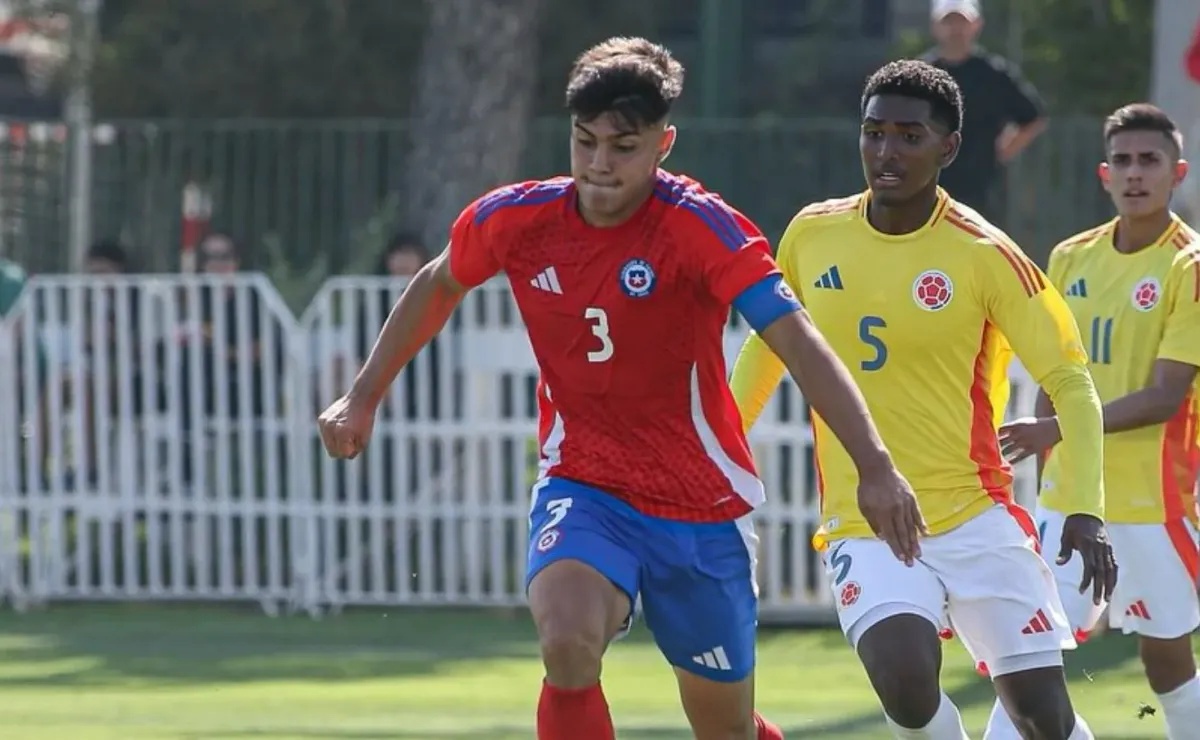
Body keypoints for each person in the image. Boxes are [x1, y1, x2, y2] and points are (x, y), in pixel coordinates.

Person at [317, 36, 922, 740]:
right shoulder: (517, 220)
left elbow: (798, 341)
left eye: (623, 146)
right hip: (585, 483)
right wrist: (363, 395)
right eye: (586, 142)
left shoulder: (702, 229)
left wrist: (875, 466)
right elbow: (440, 281)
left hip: (700, 507)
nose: (600, 164)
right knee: (566, 639)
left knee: (722, 728)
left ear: (663, 144)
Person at [730, 60, 1114, 739]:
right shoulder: (811, 235)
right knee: (907, 684)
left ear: (950, 147)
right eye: (874, 133)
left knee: (1043, 721)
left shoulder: (985, 254)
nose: (886, 152)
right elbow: (768, 349)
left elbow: (1070, 378)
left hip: (974, 516)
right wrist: (718, 454)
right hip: (865, 519)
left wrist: (1083, 505)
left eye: (910, 136)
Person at [993, 103, 1200, 740]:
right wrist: (1053, 443)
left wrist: (1056, 431)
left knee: (1166, 658)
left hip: (1157, 504)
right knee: (1033, 654)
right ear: (1103, 173)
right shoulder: (1068, 258)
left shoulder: (1187, 267)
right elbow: (1057, 370)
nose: (1135, 173)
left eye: (1149, 160)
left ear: (1177, 172)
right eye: (1123, 161)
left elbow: (1166, 395)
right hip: (1073, 498)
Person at [922, 0, 1046, 223]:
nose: (955, 29)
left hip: (982, 190)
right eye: (948, 21)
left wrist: (1003, 152)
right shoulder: (920, 74)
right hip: (928, 188)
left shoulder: (994, 74)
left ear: (976, 24)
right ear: (935, 27)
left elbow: (1033, 116)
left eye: (962, 21)